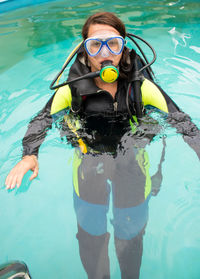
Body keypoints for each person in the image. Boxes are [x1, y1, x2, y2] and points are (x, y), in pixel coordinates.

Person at [5, 12, 200, 279]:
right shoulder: (71, 90)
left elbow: (183, 123)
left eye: (114, 44)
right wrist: (29, 155)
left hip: (132, 162)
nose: (105, 53)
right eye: (95, 44)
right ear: (84, 51)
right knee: (91, 235)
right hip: (88, 162)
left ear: (124, 48)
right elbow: (41, 121)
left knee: (131, 237)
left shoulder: (141, 88)